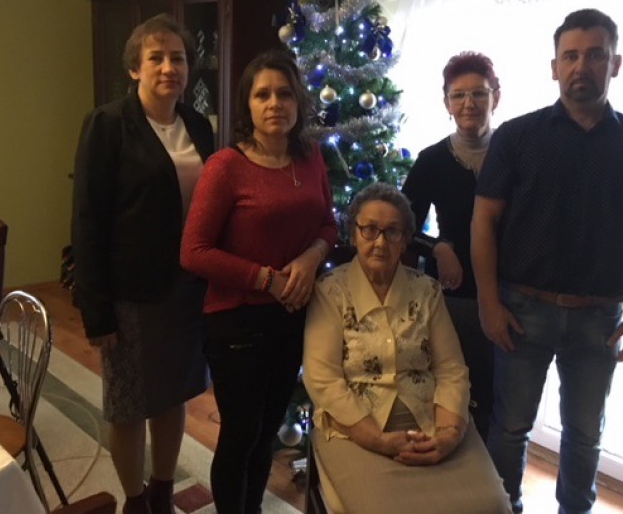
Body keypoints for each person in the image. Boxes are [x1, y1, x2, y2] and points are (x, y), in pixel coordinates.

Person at [472, 8, 623, 514]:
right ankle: (504, 508)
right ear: (554, 67)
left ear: (616, 64)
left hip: (598, 318)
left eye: (594, 55)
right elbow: (484, 222)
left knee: (585, 436)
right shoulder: (517, 137)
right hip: (521, 311)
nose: (580, 66)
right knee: (510, 428)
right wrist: (489, 303)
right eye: (570, 56)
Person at [180, 49, 338, 513]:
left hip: (292, 317)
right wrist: (266, 279)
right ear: (247, 105)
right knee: (241, 436)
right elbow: (193, 251)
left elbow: (328, 225)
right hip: (238, 322)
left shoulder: (310, 158)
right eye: (262, 94)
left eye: (284, 94)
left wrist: (311, 257)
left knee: (267, 431)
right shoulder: (226, 166)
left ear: (298, 102)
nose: (274, 104)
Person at [72, 14, 215, 514]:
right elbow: (87, 219)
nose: (168, 67)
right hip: (130, 293)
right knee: (129, 405)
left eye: (178, 58)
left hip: (188, 289)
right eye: (156, 58)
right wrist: (96, 312)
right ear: (135, 68)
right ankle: (135, 501)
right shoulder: (108, 124)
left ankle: (161, 490)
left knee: (173, 394)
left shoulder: (198, 125)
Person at [303, 183, 511, 514]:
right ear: (354, 234)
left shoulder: (426, 291)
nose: (380, 242)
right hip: (356, 430)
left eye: (392, 232)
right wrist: (377, 440)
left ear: (405, 240)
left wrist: (448, 435)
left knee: (492, 506)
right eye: (369, 229)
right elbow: (323, 380)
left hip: (430, 421)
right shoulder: (330, 292)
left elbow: (451, 369)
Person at [401, 51, 500, 441]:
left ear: (495, 97)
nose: (468, 103)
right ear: (446, 103)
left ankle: (496, 478)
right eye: (458, 95)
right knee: (458, 394)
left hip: (512, 294)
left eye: (479, 93)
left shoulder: (514, 153)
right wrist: (438, 247)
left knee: (502, 405)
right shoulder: (432, 161)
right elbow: (402, 225)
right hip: (456, 297)